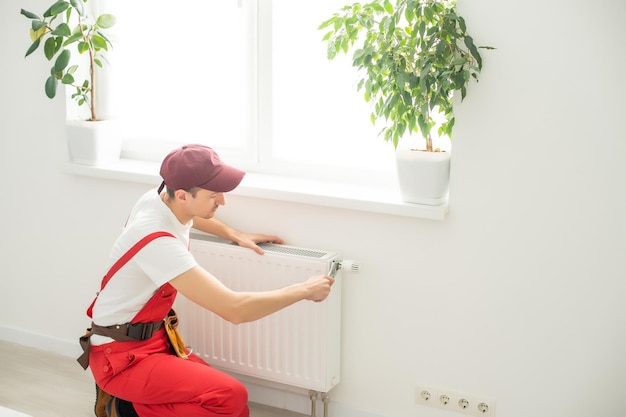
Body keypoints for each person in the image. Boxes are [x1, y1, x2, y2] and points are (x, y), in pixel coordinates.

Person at [78, 144, 335, 417]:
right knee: (230, 398)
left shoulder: (158, 199)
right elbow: (234, 309)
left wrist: (234, 233)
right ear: (182, 195)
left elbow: (190, 219)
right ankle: (123, 408)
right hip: (120, 358)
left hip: (154, 341)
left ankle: (129, 405)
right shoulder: (156, 241)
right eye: (214, 194)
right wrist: (303, 289)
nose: (222, 201)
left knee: (230, 401)